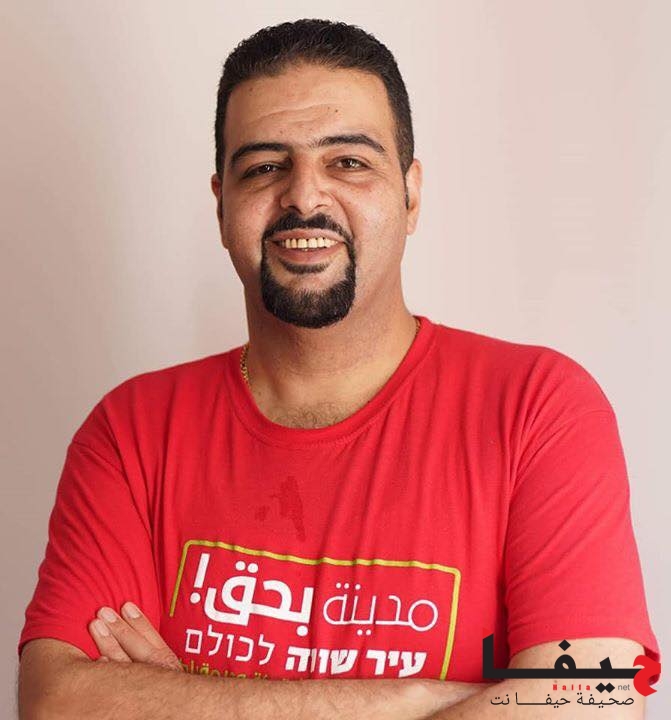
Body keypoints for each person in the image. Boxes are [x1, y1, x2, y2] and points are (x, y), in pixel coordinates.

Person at [18, 18, 659, 719]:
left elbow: (593, 701)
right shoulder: (133, 431)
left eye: (348, 162)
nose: (304, 197)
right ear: (221, 204)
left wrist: (183, 701)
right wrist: (419, 699)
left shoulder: (539, 407)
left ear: (410, 195)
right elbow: (58, 702)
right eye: (264, 167)